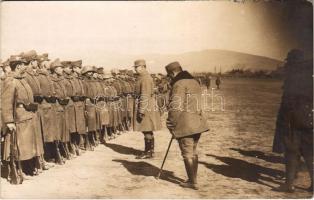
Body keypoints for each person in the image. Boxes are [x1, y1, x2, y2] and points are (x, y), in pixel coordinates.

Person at [274, 49, 313, 193]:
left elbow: (289, 101)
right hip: (310, 119)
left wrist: (283, 120)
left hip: (292, 119)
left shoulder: (293, 74)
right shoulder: (310, 74)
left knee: (291, 151)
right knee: (310, 152)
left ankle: (289, 184)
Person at [165, 61, 208, 190]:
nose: (170, 78)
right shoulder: (194, 82)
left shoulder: (179, 84)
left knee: (187, 153)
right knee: (193, 152)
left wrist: (171, 124)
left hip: (185, 124)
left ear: (173, 73)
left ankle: (192, 182)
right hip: (197, 122)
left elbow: (175, 107)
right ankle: (192, 179)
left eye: (169, 76)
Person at [132, 59, 161, 159]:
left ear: (142, 67)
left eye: (136, 67)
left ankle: (148, 152)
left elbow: (144, 95)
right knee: (147, 129)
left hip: (146, 107)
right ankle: (150, 150)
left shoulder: (144, 78)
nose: (135, 69)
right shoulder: (144, 77)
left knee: (146, 129)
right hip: (148, 106)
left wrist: (141, 110)